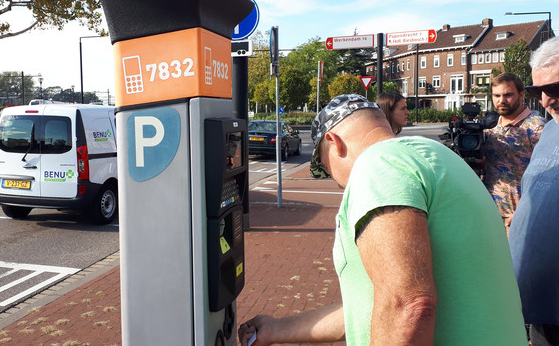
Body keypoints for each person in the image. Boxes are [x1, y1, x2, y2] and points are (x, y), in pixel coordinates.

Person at [239, 94, 526, 345]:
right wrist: (275, 329)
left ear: (334, 142)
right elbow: (378, 308)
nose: (340, 185)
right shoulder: (437, 157)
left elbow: (407, 306)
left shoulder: (378, 164)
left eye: (327, 169)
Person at [509, 36, 559, 346]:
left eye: (553, 88)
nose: (544, 101)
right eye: (536, 91)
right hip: (539, 308)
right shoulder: (551, 128)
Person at [483, 72, 546, 232]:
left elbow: (549, 176)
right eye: (496, 95)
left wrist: (526, 210)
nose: (501, 100)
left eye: (508, 95)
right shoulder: (491, 128)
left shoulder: (537, 127)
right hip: (489, 215)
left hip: (521, 219)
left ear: (521, 95)